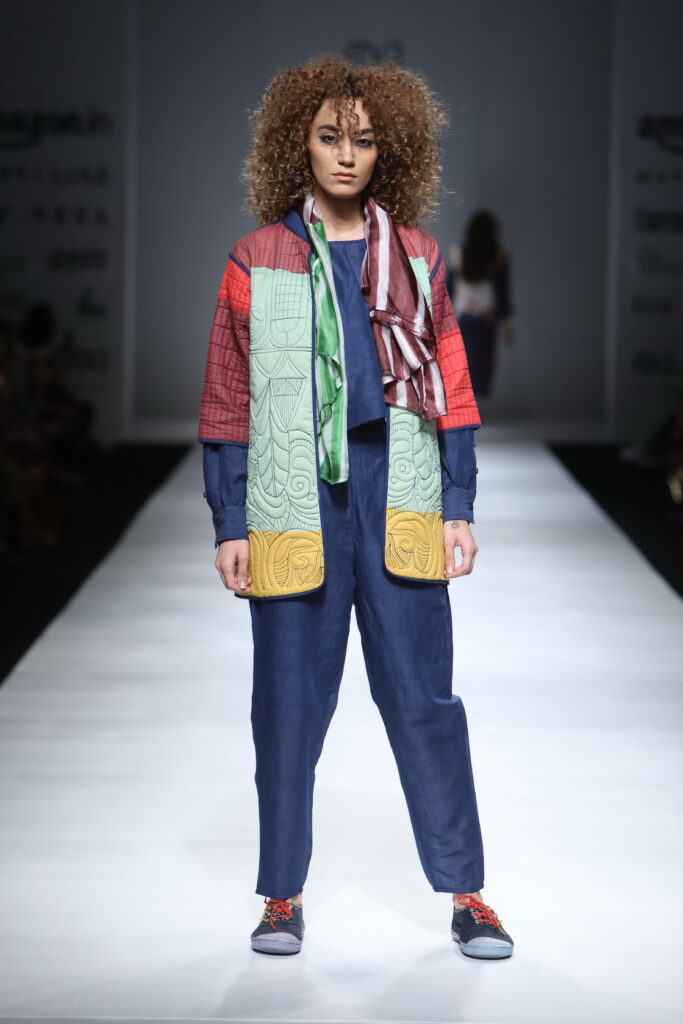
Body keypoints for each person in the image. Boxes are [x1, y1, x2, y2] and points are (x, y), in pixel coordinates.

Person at [197, 53, 514, 960]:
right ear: (297, 141)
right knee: (286, 707)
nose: (345, 155)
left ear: (389, 150)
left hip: (396, 491)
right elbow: (227, 398)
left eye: (364, 140)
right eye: (330, 136)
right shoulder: (254, 258)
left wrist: (457, 501)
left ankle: (467, 893)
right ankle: (281, 896)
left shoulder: (416, 256)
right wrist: (228, 520)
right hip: (291, 501)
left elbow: (450, 384)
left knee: (423, 700)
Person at [446, 211, 515, 400]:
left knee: (467, 366)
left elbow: (449, 290)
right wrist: (505, 322)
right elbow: (502, 292)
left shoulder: (462, 253)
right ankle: (469, 406)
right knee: (476, 366)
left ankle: (468, 406)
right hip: (480, 318)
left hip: (469, 318)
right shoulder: (496, 257)